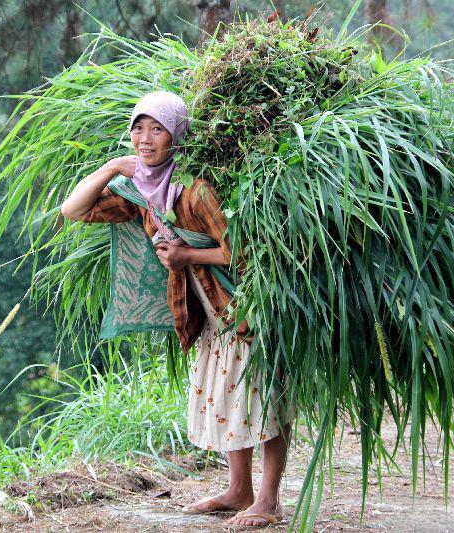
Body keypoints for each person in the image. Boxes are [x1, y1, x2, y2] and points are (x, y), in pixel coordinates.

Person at [60, 91, 294, 527]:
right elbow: (73, 209)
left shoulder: (196, 190)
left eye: (157, 129)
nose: (144, 139)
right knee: (228, 397)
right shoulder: (143, 192)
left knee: (261, 400)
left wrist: (187, 257)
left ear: (178, 135)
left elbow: (244, 253)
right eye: (138, 128)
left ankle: (268, 501)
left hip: (247, 306)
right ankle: (239, 490)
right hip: (208, 311)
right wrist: (113, 167)